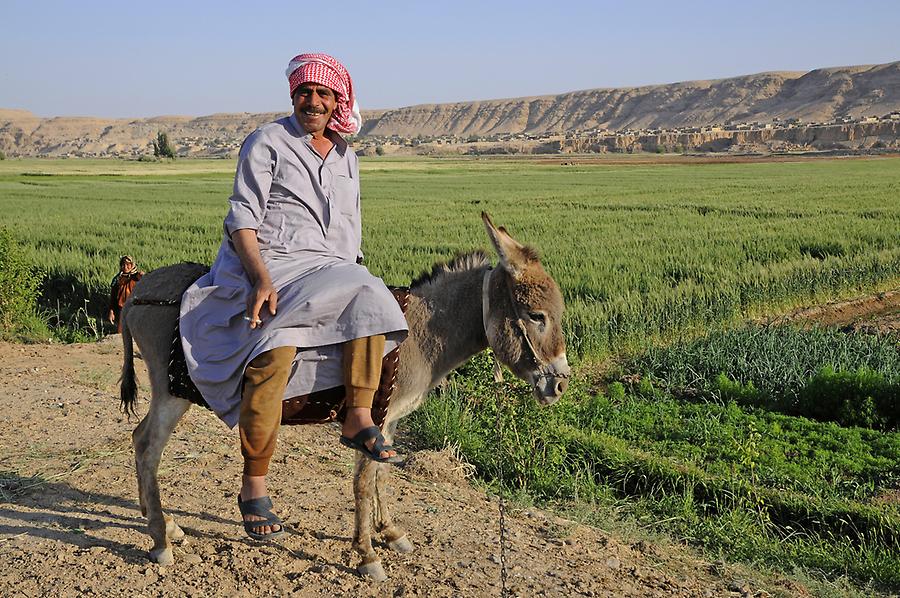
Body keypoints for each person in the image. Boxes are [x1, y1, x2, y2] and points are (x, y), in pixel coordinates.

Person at [178, 53, 408, 541]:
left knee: (371, 296)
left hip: (329, 269)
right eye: (306, 93)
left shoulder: (346, 156)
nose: (314, 102)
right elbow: (242, 219)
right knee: (272, 352)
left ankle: (358, 416)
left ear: (336, 102)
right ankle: (253, 483)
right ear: (293, 96)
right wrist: (261, 277)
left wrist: (349, 272)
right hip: (273, 264)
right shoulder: (267, 142)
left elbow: (350, 228)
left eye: (324, 95)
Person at [108, 255, 143, 333]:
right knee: (121, 334)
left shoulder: (137, 277)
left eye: (128, 264)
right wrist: (111, 311)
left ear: (132, 265)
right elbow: (113, 298)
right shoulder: (117, 279)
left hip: (135, 309)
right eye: (123, 264)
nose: (125, 267)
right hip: (122, 310)